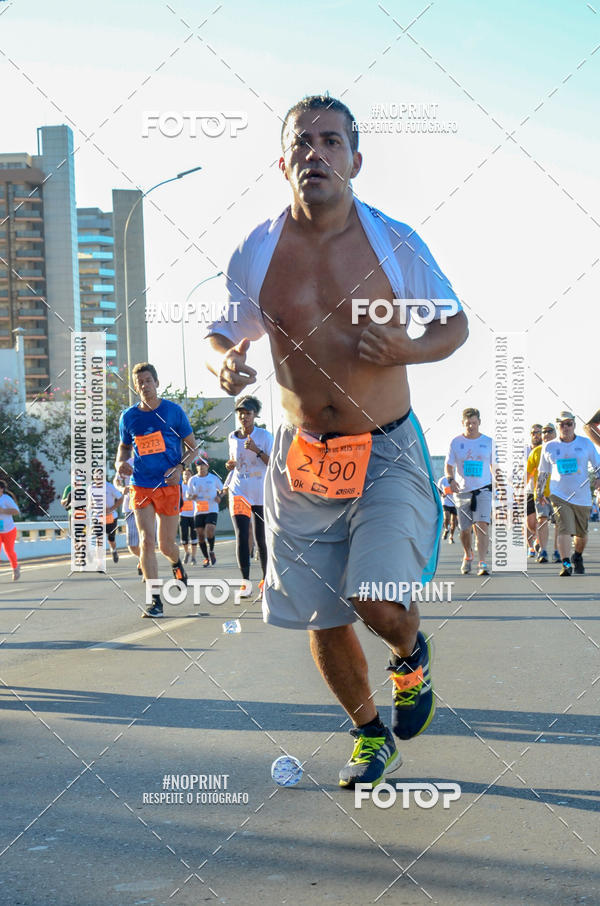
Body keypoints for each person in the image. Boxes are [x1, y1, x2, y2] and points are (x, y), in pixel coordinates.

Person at [205, 94, 468, 789]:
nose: (314, 154)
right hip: (303, 461)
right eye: (301, 143)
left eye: (330, 141)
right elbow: (221, 330)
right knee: (322, 615)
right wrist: (223, 362)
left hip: (382, 450)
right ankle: (369, 734)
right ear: (282, 160)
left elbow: (453, 324)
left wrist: (408, 348)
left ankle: (409, 654)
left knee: (374, 596)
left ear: (355, 159)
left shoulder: (393, 242)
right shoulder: (258, 248)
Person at [115, 362, 197, 618]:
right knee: (146, 541)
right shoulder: (129, 417)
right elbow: (124, 447)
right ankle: (154, 600)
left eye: (148, 380)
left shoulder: (173, 412)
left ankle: (176, 562)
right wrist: (119, 462)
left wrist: (180, 467)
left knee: (165, 544)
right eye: (140, 382)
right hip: (141, 484)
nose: (144, 385)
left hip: (169, 485)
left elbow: (192, 447)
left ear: (157, 383)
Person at [538, 410, 600, 576]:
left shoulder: (585, 444)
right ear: (558, 426)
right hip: (559, 495)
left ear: (574, 425)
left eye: (569, 424)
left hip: (582, 496)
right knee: (563, 527)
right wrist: (539, 492)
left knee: (582, 534)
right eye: (562, 424)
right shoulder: (549, 446)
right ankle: (566, 563)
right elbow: (543, 472)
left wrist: (599, 479)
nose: (565, 427)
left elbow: (597, 464)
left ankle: (577, 556)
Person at [223, 397, 272, 593]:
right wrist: (230, 465)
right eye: (240, 413)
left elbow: (273, 463)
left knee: (261, 538)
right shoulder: (232, 437)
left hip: (260, 491)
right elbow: (234, 461)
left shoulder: (265, 436)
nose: (244, 417)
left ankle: (265, 581)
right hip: (239, 490)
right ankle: (245, 582)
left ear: (255, 415)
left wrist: (256, 450)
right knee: (242, 535)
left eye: (248, 413)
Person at [445, 408, 493, 576]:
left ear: (479, 422)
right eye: (468, 423)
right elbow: (449, 466)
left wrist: (500, 487)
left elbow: (495, 466)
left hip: (483, 489)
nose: (471, 426)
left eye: (474, 423)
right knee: (465, 530)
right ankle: (468, 554)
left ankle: (482, 562)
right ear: (462, 424)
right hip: (463, 491)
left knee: (481, 526)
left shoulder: (488, 442)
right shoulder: (456, 442)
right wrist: (451, 480)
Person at [188, 459, 224, 567]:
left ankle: (211, 551)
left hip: (212, 508)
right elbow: (187, 495)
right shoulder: (192, 480)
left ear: (207, 466)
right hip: (199, 510)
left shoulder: (213, 478)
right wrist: (191, 497)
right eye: (198, 465)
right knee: (200, 534)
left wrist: (219, 496)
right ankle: (206, 558)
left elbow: (223, 490)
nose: (201, 467)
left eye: (203, 465)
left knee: (209, 529)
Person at [114, 457, 142, 576]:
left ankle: (146, 564)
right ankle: (143, 558)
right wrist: (121, 488)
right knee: (132, 546)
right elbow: (117, 480)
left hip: (149, 505)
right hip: (130, 507)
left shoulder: (153, 458)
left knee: (147, 540)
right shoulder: (127, 463)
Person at [525, 424, 543, 557]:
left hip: (544, 490)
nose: (536, 435)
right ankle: (532, 543)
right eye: (533, 433)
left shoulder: (546, 450)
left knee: (541, 519)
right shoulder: (525, 451)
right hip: (528, 490)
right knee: (529, 522)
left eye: (539, 432)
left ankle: (537, 542)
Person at [0, 479, 20, 581]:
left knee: (9, 551)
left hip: (9, 530)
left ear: (2, 489)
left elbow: (16, 511)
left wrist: (3, 510)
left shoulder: (6, 499)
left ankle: (15, 568)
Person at [179, 468, 198, 565]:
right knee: (184, 536)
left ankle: (194, 557)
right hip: (183, 514)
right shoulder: (180, 486)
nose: (186, 476)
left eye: (188, 474)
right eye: (185, 474)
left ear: (192, 476)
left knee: (194, 536)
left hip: (194, 514)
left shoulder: (194, 485)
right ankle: (187, 552)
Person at [437, 475, 457, 543]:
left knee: (453, 521)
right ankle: (446, 529)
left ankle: (451, 537)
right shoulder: (442, 479)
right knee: (447, 517)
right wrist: (442, 494)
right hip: (445, 502)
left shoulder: (456, 478)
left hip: (455, 503)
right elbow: (438, 489)